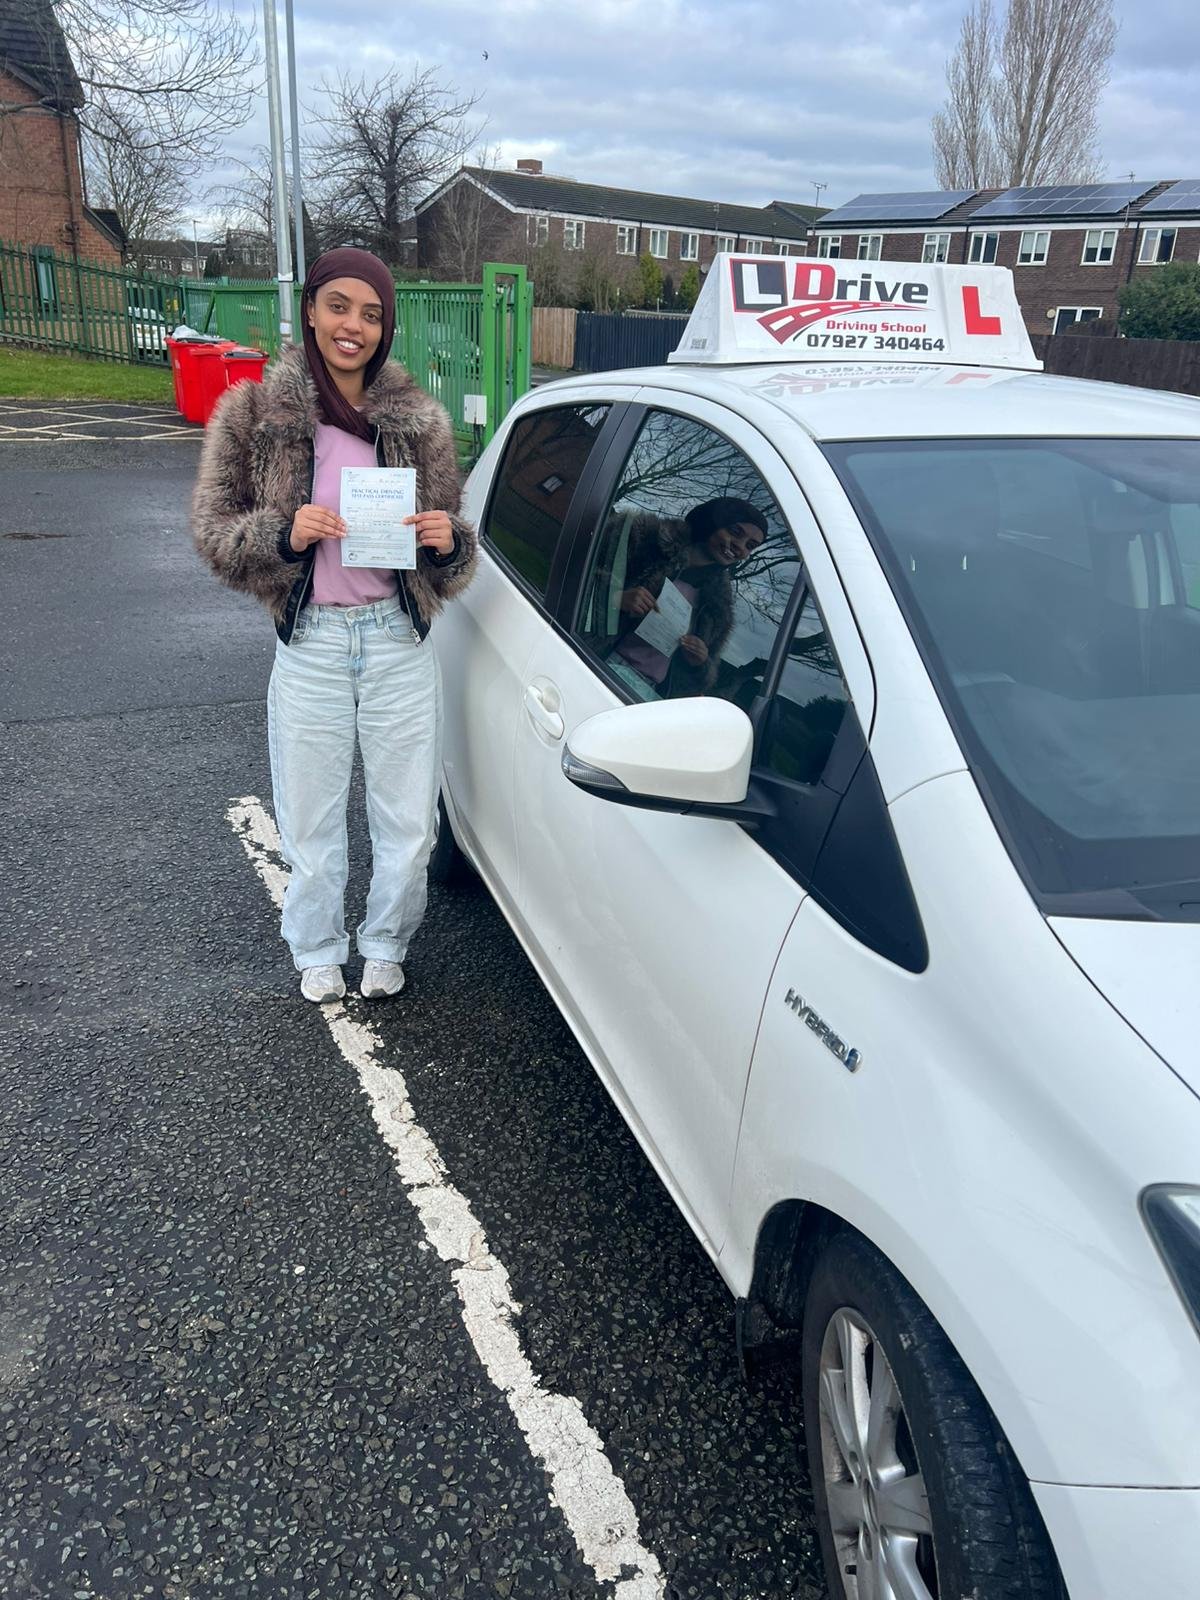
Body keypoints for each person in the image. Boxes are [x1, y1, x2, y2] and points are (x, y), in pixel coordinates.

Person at [192, 247, 477, 1004]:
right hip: (313, 642)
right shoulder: (254, 416)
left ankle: (386, 941)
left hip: (396, 640)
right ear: (312, 311)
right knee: (311, 821)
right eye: (340, 307)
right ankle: (317, 944)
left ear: (386, 329)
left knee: (409, 826)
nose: (355, 326)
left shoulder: (420, 424)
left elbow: (452, 550)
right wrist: (283, 537)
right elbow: (215, 536)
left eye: (372, 314)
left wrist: (448, 543)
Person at [605, 497, 767, 697]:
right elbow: (575, 577)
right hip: (592, 664)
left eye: (750, 545)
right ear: (712, 521)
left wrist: (699, 663)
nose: (740, 546)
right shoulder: (641, 539)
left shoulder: (718, 609)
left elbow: (693, 687)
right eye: (735, 532)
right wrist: (614, 599)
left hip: (647, 695)